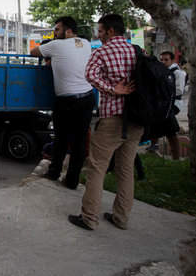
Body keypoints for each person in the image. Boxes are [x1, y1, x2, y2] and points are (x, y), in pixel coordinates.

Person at [69, 14, 141, 231]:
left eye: (100, 31)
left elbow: (90, 75)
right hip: (137, 119)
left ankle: (89, 218)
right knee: (126, 169)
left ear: (110, 31)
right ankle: (121, 218)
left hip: (112, 118)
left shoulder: (102, 51)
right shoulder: (138, 51)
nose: (98, 36)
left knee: (97, 168)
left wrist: (112, 89)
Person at [30, 16, 95, 189]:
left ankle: (54, 173)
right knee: (79, 142)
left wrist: (49, 51)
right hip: (87, 98)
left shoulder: (56, 45)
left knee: (61, 139)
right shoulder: (85, 43)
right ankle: (72, 181)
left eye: (57, 29)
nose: (55, 33)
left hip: (67, 101)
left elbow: (33, 52)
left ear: (68, 30)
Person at [144, 51, 185, 159]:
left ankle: (175, 155)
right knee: (155, 123)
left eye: (166, 60)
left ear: (172, 60)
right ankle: (154, 145)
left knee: (169, 128)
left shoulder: (177, 73)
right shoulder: (161, 71)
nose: (163, 62)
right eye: (161, 60)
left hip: (173, 103)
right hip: (162, 103)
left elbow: (179, 90)